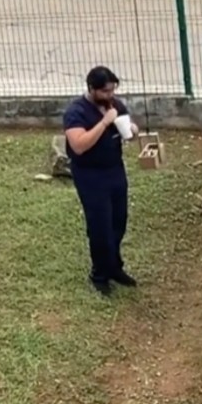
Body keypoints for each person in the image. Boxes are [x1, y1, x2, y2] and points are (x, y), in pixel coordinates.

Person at [63, 66, 139, 296]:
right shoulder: (76, 112)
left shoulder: (115, 105)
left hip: (114, 169)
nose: (110, 95)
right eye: (105, 91)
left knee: (118, 220)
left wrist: (132, 130)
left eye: (113, 90)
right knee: (100, 226)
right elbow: (79, 145)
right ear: (91, 89)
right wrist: (105, 123)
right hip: (90, 175)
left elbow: (129, 131)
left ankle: (114, 267)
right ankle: (99, 274)